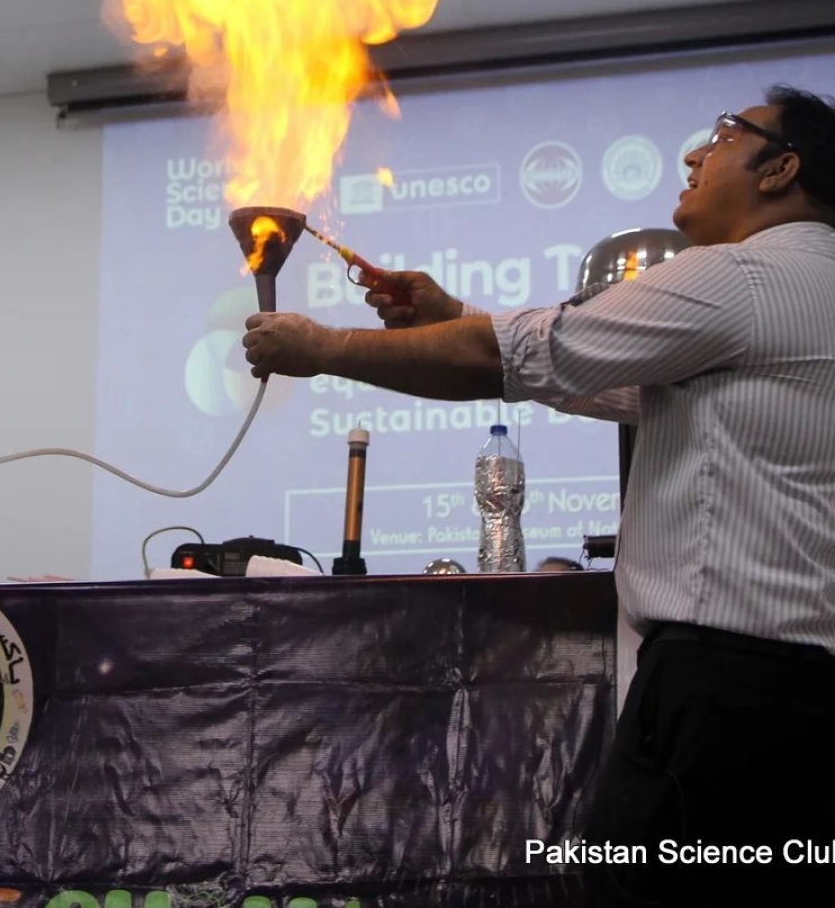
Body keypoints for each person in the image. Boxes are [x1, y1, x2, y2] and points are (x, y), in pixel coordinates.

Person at [243, 85, 835, 902]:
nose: (696, 155)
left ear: (783, 169)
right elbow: (606, 383)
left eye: (727, 134)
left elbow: (512, 359)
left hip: (726, 705)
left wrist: (324, 347)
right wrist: (450, 314)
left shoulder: (742, 280)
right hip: (796, 699)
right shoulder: (810, 287)